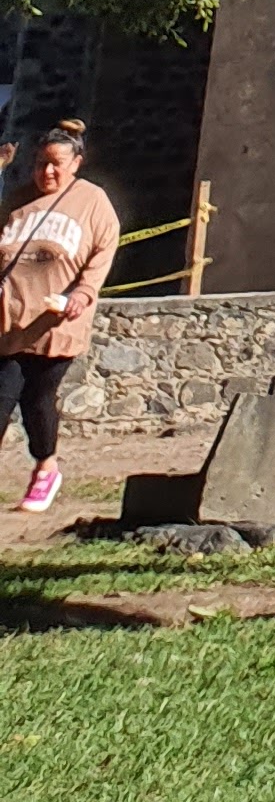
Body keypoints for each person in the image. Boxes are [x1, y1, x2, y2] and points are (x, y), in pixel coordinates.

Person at [0, 117, 120, 515]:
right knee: (1, 398)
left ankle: (46, 467)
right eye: (40, 163)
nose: (47, 171)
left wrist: (84, 292)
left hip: (56, 322)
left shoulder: (92, 201)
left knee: (37, 399)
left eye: (56, 163)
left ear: (76, 163)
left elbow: (103, 251)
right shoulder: (17, 201)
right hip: (9, 321)